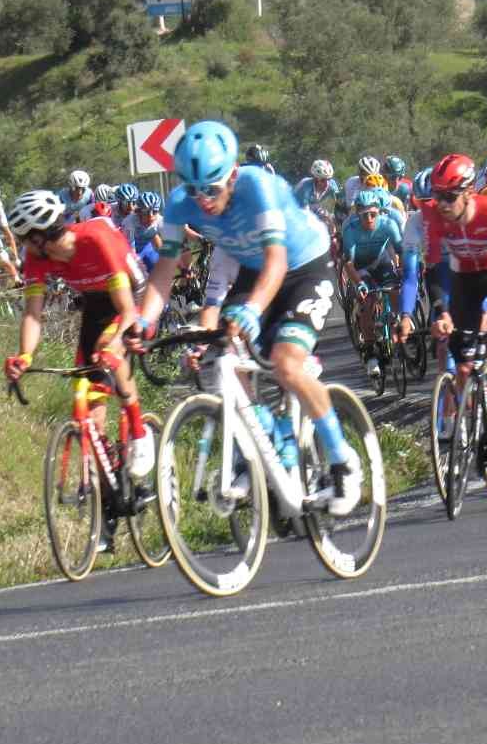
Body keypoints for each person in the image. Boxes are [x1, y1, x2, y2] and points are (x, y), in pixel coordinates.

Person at [134, 121, 363, 515]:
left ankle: (344, 461)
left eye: (212, 188)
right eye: (193, 189)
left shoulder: (257, 186)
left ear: (233, 175)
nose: (203, 200)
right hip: (254, 272)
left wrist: (253, 311)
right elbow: (165, 270)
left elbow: (278, 261)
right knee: (225, 356)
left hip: (305, 266)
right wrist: (142, 321)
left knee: (286, 363)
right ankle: (258, 447)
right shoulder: (178, 205)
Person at [3, 189, 153, 554]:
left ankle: (138, 429)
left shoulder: (96, 240)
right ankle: (107, 514)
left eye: (25, 239)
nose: (24, 245)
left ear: (40, 236)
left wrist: (116, 346)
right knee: (91, 415)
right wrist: (23, 355)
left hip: (132, 298)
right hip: (96, 305)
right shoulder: (37, 259)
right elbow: (32, 313)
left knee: (108, 354)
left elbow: (128, 311)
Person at [399, 154, 487, 441]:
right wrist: (441, 311)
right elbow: (431, 270)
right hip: (463, 278)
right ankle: (470, 419)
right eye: (437, 196)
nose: (441, 204)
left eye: (449, 196)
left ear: (469, 192)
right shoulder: (433, 215)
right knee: (463, 363)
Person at [342, 186, 406, 383]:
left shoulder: (388, 224)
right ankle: (370, 353)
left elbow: (401, 251)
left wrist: (405, 271)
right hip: (360, 268)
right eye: (364, 215)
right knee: (367, 302)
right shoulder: (351, 230)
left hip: (380, 262)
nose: (369, 219)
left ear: (379, 212)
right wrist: (359, 284)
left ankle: (396, 322)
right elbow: (349, 264)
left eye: (373, 214)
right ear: (357, 216)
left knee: (395, 289)